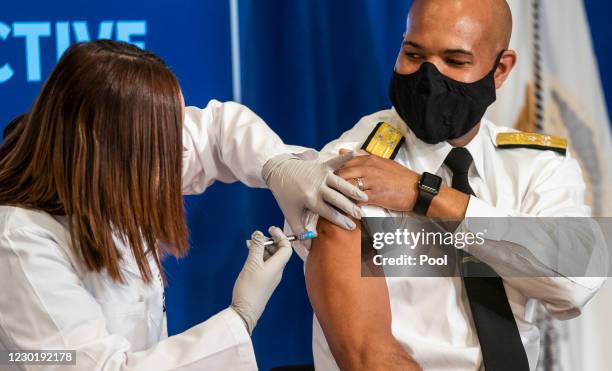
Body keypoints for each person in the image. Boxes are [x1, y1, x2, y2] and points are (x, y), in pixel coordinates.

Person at [0, 40, 366, 370]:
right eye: (166, 145)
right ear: (111, 152)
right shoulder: (19, 245)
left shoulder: (111, 159)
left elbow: (217, 131)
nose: (180, 153)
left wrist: (278, 165)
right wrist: (240, 318)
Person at [294, 1, 607, 370]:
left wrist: (426, 194)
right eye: (413, 54)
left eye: (455, 62)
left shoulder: (535, 165)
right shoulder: (353, 161)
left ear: (501, 69)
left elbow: (578, 280)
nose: (429, 78)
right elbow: (365, 354)